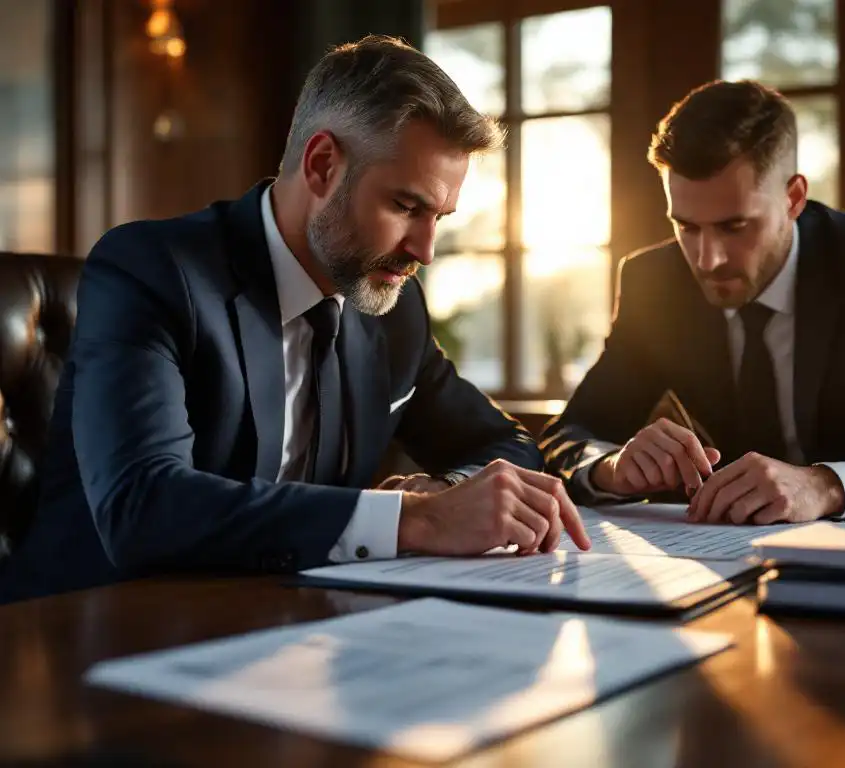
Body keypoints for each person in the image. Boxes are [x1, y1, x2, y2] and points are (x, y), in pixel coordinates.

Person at [1, 35, 589, 603]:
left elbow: (503, 443)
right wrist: (415, 520)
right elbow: (142, 507)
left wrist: (449, 491)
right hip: (90, 628)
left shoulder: (392, 308)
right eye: (406, 206)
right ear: (323, 165)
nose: (425, 250)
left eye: (440, 216)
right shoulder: (153, 270)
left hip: (290, 623)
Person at [541, 79, 845, 526]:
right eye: (686, 226)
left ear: (793, 199)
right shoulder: (655, 282)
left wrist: (827, 487)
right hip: (723, 551)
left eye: (735, 226)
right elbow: (569, 436)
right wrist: (610, 467)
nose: (707, 260)